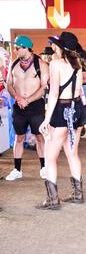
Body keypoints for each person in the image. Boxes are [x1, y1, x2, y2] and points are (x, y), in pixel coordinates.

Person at [37, 32, 86, 210]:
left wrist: (46, 119)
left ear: (61, 47)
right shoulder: (79, 64)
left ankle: (52, 199)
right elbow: (79, 89)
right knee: (72, 153)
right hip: (77, 110)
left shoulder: (56, 64)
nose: (52, 47)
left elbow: (54, 94)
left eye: (54, 45)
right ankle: (78, 194)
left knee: (50, 157)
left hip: (61, 111)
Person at [6, 35, 49, 181]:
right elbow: (9, 85)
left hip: (36, 106)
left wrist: (28, 100)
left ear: (25, 48)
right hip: (19, 106)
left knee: (39, 137)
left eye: (17, 48)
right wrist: (18, 98)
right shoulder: (14, 64)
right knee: (19, 137)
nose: (15, 50)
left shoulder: (41, 64)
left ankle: (44, 167)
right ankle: (17, 170)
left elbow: (44, 88)